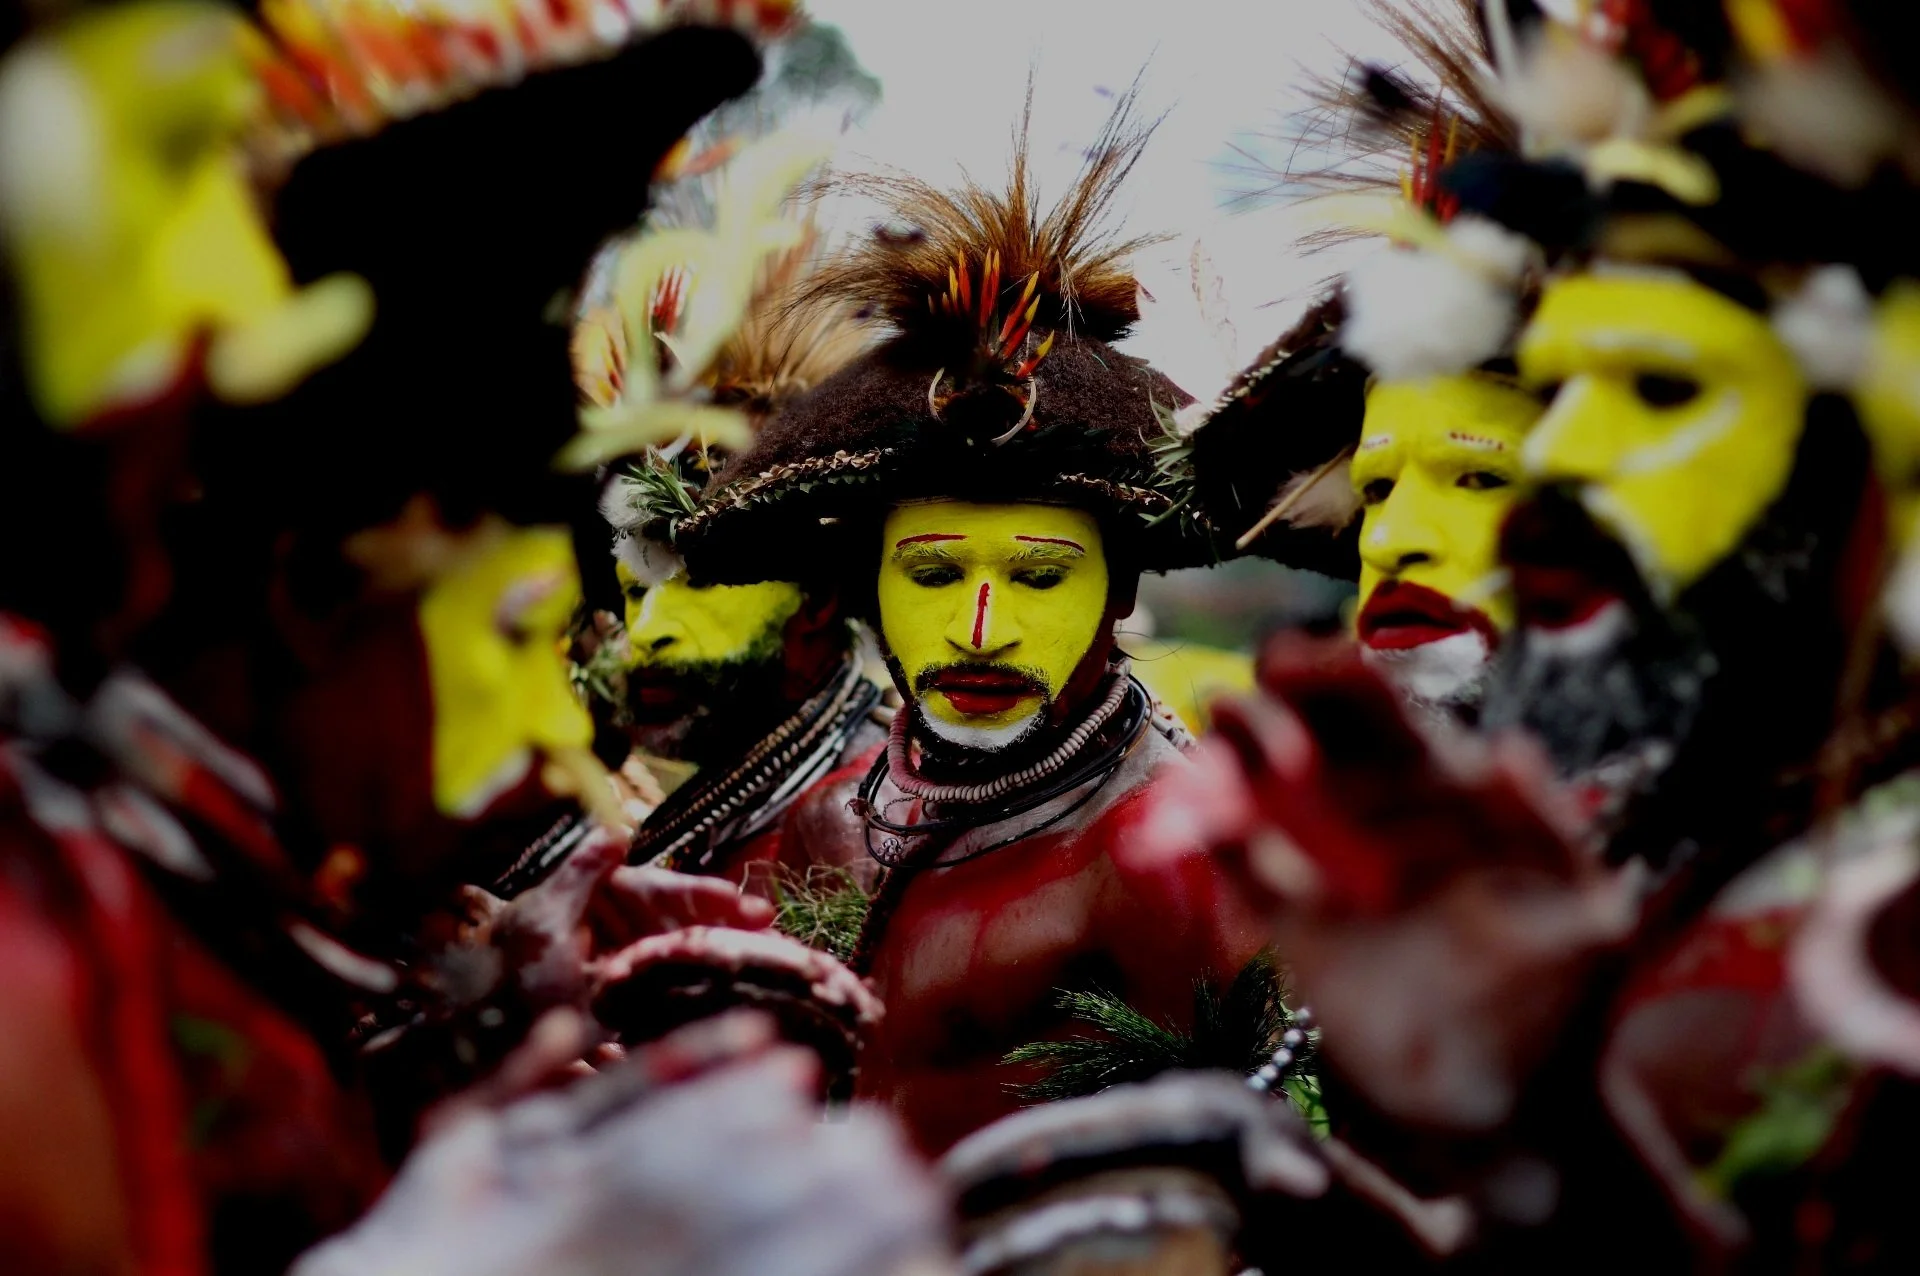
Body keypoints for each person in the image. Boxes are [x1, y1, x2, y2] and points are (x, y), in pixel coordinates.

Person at [676, 96, 1265, 1153]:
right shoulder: (818, 820)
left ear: (1121, 588)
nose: (981, 627)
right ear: (866, 586)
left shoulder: (1166, 854)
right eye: (935, 573)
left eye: (1039, 579)